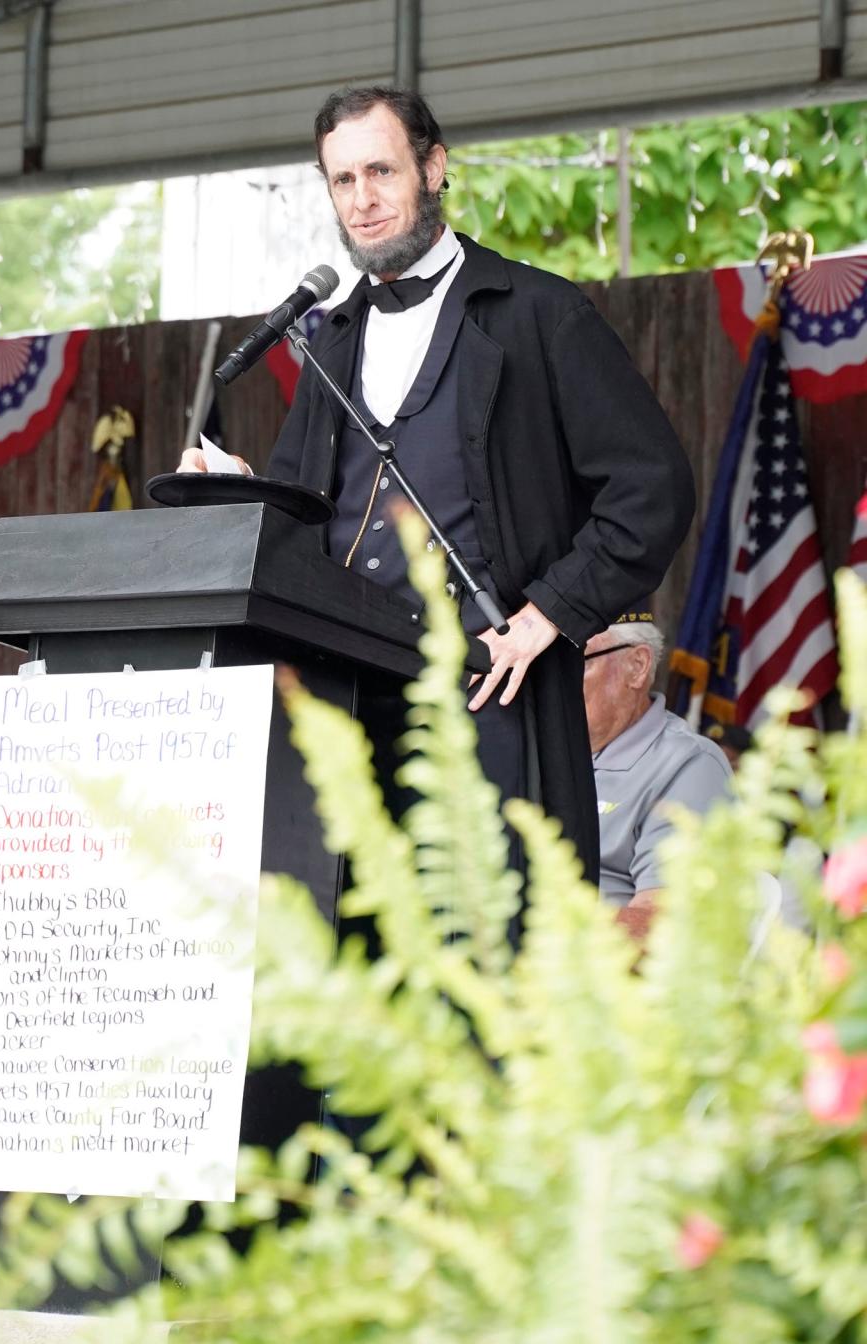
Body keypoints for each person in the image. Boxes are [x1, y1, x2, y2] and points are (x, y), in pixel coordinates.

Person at [181, 85, 696, 883]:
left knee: (484, 957)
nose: (363, 199)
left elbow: (651, 488)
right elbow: (303, 520)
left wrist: (546, 617)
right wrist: (239, 489)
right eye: (342, 181)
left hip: (489, 697)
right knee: (359, 951)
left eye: (381, 171)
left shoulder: (540, 315)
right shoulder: (333, 341)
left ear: (433, 167)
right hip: (347, 694)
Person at [583, 612, 731, 931]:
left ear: (637, 666)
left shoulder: (688, 764)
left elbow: (663, 925)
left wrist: (544, 931)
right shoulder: (540, 750)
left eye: (575, 663)